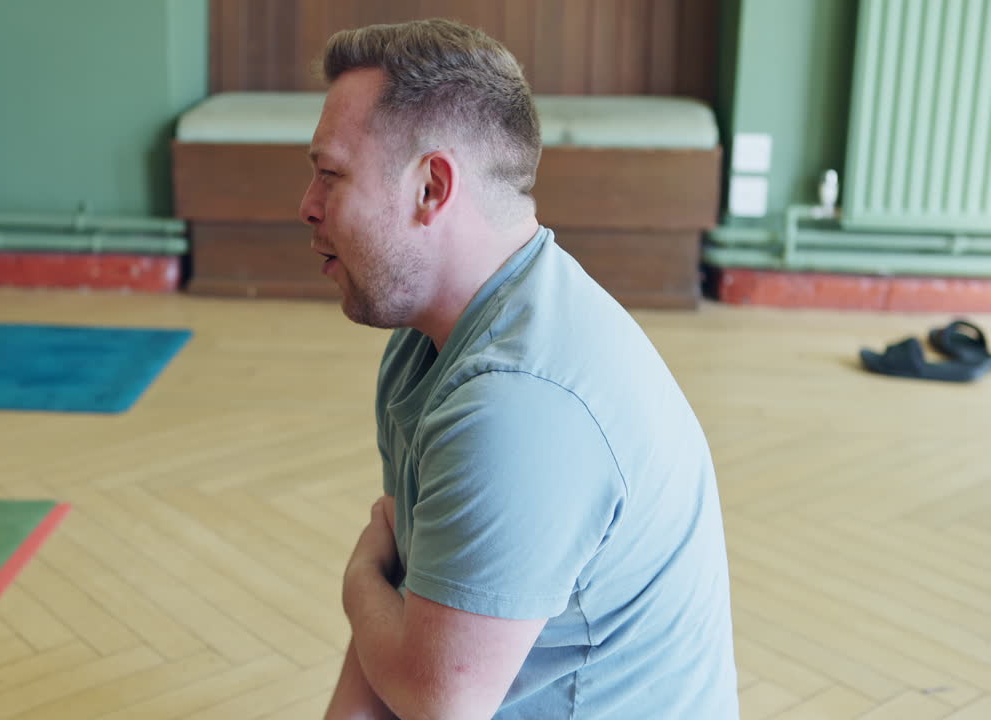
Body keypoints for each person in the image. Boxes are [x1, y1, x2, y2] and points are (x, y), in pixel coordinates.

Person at [299, 19, 739, 719]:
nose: (307, 205)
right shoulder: (429, 339)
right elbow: (407, 605)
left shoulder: (520, 403)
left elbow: (437, 699)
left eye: (330, 175)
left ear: (431, 187)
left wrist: (358, 581)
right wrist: (376, 590)